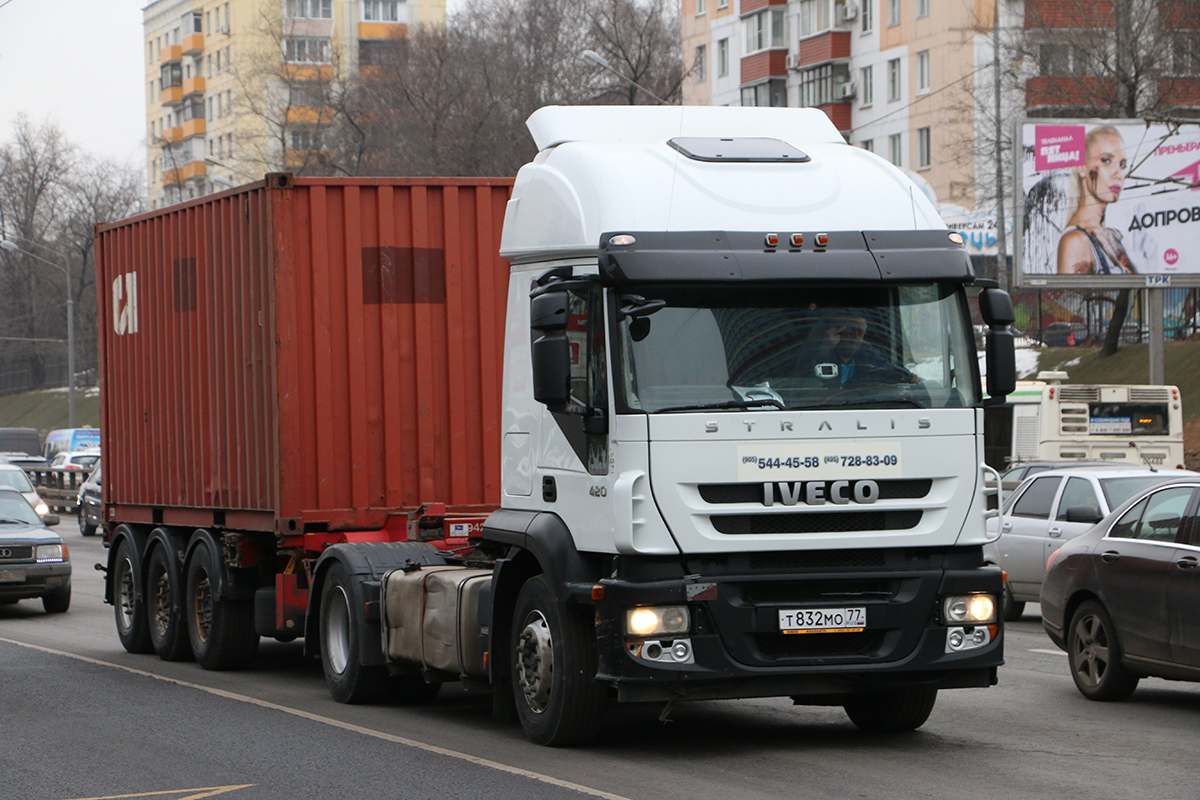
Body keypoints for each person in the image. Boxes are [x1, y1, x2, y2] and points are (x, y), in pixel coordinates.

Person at [1056, 125, 1137, 275]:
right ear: (1081, 168)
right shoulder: (1075, 241)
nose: (1118, 174)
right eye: (1106, 160)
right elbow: (1071, 297)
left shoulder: (1114, 235)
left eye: (1122, 164)